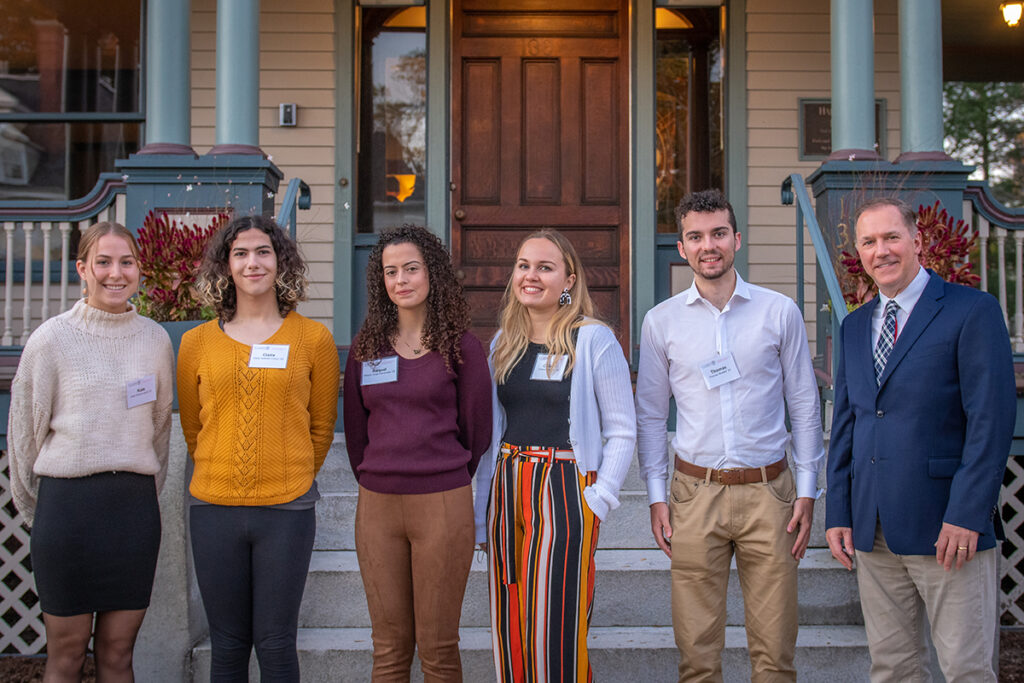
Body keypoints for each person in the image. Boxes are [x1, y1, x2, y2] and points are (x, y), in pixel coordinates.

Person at [635, 189, 824, 682]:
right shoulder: (661, 322)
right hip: (695, 495)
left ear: (736, 239)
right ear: (682, 248)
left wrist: (808, 490)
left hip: (771, 494)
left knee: (776, 654)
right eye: (695, 237)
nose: (708, 245)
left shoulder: (778, 312)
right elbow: (652, 417)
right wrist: (657, 498)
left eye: (718, 233)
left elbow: (805, 406)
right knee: (697, 658)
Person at [825, 197, 1015, 682]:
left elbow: (990, 421)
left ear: (918, 241)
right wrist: (840, 512)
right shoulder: (853, 327)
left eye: (892, 237)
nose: (881, 250)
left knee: (966, 669)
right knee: (892, 668)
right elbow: (847, 423)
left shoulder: (971, 310)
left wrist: (967, 514)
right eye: (869, 241)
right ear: (860, 253)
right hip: (875, 532)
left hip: (948, 530)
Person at [7, 221, 173, 682]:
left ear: (140, 270)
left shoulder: (155, 339)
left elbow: (158, 429)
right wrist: (39, 510)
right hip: (67, 514)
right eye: (103, 262)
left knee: (119, 654)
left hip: (133, 514)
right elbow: (23, 435)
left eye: (127, 262)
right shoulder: (51, 339)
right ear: (82, 268)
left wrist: (141, 494)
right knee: (67, 654)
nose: (115, 273)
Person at [177, 214, 340, 682]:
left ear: (280, 261)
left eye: (263, 252)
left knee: (276, 644)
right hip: (213, 508)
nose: (253, 263)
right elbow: (194, 426)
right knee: (227, 647)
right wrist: (225, 469)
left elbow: (323, 424)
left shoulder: (313, 339)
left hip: (287, 510)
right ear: (226, 266)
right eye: (241, 253)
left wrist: (293, 474)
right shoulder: (195, 343)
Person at [473, 228, 636, 682]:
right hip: (508, 483)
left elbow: (623, 429)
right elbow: (492, 432)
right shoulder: (504, 341)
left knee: (555, 625)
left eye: (545, 267)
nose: (531, 275)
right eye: (524, 266)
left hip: (564, 486)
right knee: (509, 619)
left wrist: (598, 499)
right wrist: (480, 507)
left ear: (568, 280)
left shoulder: (593, 340)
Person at [343, 224, 491, 682]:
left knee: (439, 649)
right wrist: (381, 472)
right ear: (380, 281)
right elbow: (354, 431)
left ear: (433, 274)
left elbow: (476, 431)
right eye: (391, 271)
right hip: (378, 506)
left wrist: (438, 470)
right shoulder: (366, 347)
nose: (401, 279)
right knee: (388, 649)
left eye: (411, 268)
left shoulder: (462, 347)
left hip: (442, 503)